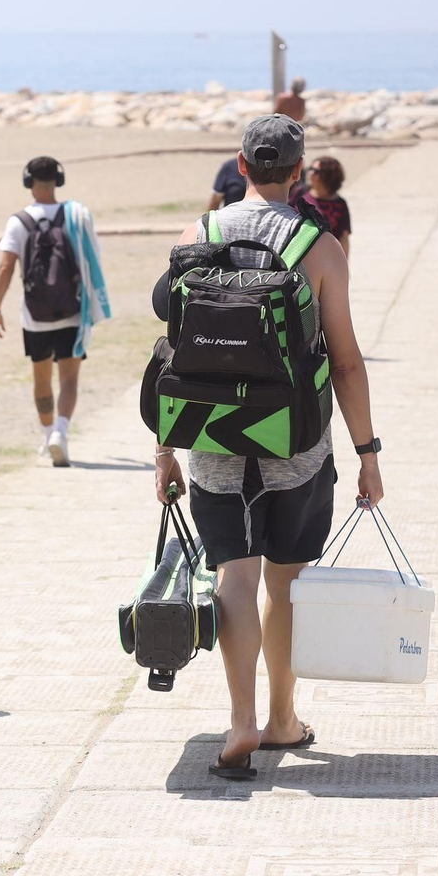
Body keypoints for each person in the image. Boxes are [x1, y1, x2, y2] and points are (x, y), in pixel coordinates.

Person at [152, 114, 384, 780]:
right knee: (285, 583)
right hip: (296, 443)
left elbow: (176, 352)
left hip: (215, 437)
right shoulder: (320, 246)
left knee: (236, 575)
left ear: (241, 164)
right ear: (298, 169)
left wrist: (165, 450)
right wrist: (368, 453)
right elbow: (346, 363)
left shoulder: (199, 232)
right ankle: (284, 718)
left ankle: (241, 721)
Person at [0, 155, 110, 467]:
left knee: (41, 377)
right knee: (69, 378)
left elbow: (5, 267)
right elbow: (92, 259)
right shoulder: (76, 215)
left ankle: (46, 437)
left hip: (35, 315)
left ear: (28, 183)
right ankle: (61, 431)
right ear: (58, 181)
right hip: (72, 310)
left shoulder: (19, 221)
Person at [295, 155, 352, 256]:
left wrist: (343, 266)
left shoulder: (340, 204)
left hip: (327, 258)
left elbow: (344, 237)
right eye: (310, 169)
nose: (310, 173)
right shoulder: (300, 194)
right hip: (300, 255)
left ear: (328, 176)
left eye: (316, 171)